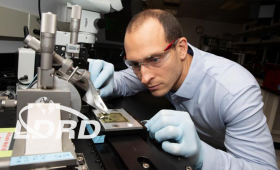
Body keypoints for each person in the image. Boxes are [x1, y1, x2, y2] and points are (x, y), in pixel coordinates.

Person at [88, 9, 278, 170]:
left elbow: (263, 167)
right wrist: (106, 82)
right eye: (135, 64)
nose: (144, 78)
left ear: (181, 48)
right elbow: (124, 81)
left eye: (154, 59)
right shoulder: (158, 67)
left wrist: (203, 156)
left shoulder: (234, 89)